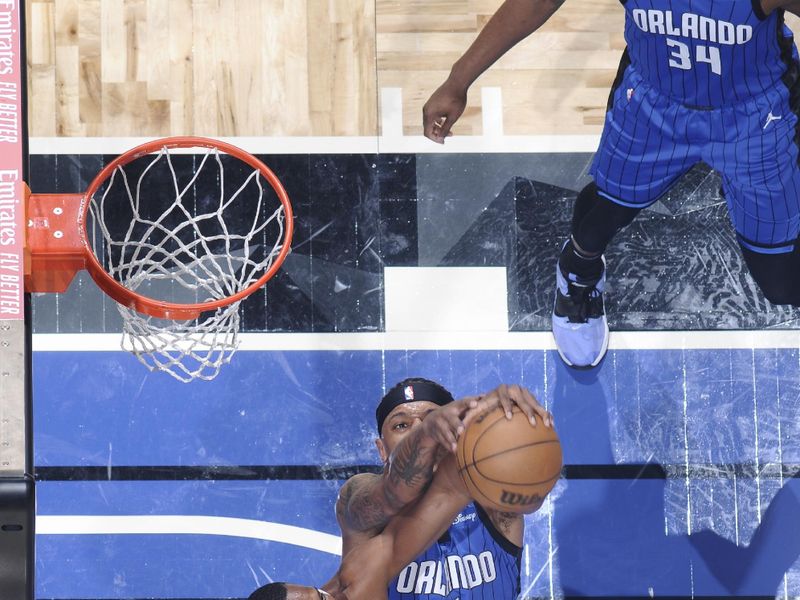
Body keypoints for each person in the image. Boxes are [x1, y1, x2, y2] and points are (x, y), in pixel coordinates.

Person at [422, 0, 800, 368]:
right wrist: (458, 79)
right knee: (606, 211)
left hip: (756, 118)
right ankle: (578, 273)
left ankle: (742, 188)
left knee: (781, 285)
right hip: (654, 105)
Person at [248, 379, 554, 600]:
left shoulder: (487, 489)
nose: (419, 427)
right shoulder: (360, 502)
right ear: (382, 451)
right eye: (401, 426)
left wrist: (508, 420)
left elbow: (528, 496)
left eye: (431, 417)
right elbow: (396, 491)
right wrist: (428, 431)